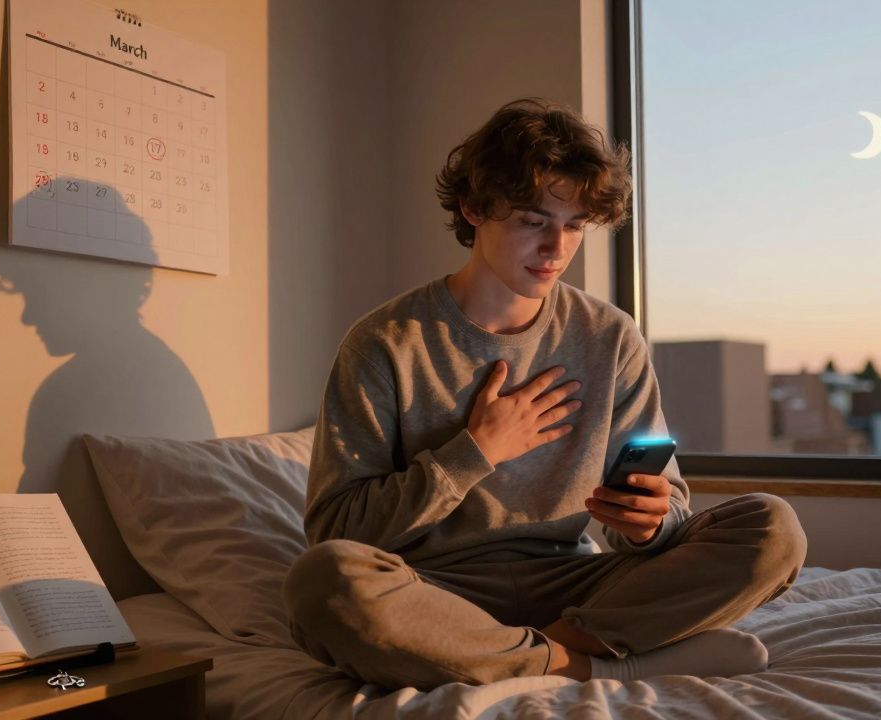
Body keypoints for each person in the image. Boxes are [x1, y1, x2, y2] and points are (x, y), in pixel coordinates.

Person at [283, 98, 807, 689]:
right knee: (322, 583)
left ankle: (536, 655)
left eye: (575, 226)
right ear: (474, 209)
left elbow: (669, 508)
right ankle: (601, 664)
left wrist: (650, 523)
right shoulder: (385, 343)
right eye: (534, 221)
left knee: (774, 527)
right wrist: (474, 452)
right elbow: (334, 531)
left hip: (577, 585)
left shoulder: (610, 337)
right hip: (434, 592)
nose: (557, 248)